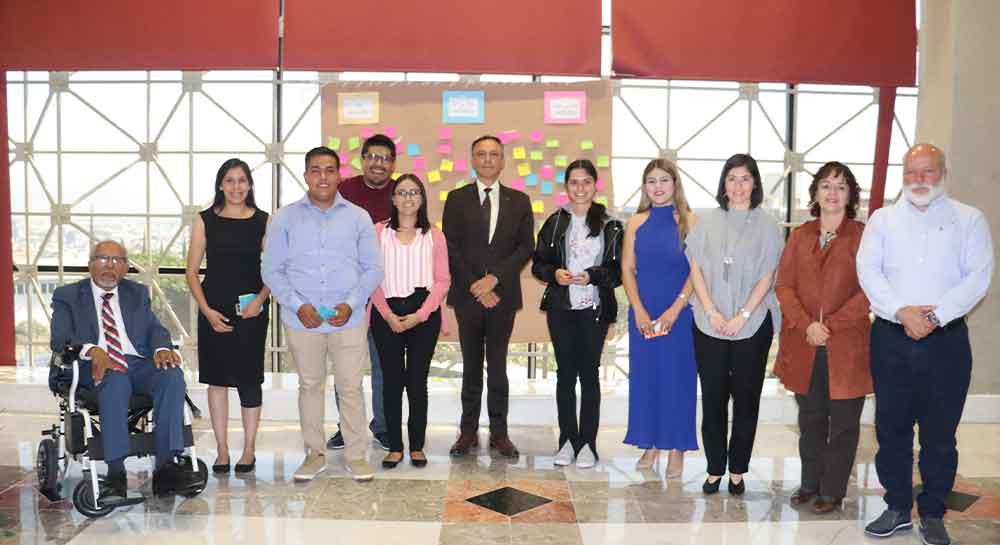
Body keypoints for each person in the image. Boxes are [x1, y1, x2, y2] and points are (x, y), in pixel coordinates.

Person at [858, 144, 993, 545]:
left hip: (946, 343)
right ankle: (897, 507)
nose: (919, 180)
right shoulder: (882, 220)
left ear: (943, 173)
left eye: (927, 171)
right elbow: (868, 270)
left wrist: (933, 317)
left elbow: (978, 277)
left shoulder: (969, 219)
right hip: (891, 338)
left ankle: (933, 512)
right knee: (891, 428)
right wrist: (903, 312)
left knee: (940, 434)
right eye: (911, 172)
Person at [261, 146, 383, 483]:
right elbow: (271, 269)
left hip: (349, 318)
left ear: (339, 175)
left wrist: (351, 303)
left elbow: (373, 268)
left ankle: (356, 456)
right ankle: (314, 455)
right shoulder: (284, 218)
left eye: (329, 170)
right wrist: (298, 305)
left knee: (351, 387)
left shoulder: (358, 217)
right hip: (302, 319)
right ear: (306, 176)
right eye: (315, 170)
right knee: (310, 386)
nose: (323, 177)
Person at [50, 240, 199, 500]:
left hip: (136, 363)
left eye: (117, 260)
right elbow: (60, 338)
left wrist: (161, 348)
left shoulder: (136, 293)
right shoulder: (68, 296)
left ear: (126, 267)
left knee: (171, 375)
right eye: (103, 259)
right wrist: (92, 350)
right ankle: (116, 473)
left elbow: (154, 329)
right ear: (90, 264)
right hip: (91, 366)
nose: (110, 266)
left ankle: (166, 468)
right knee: (116, 380)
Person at [774, 162, 871, 514]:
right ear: (815, 192)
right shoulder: (800, 236)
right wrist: (807, 325)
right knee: (811, 419)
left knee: (843, 423)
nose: (833, 193)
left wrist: (830, 324)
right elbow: (784, 286)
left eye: (841, 187)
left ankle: (832, 490)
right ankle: (810, 483)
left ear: (851, 195)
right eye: (826, 186)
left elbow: (870, 288)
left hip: (846, 343)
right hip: (805, 343)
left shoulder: (863, 236)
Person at [687, 153, 783, 495]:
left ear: (754, 183)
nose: (738, 186)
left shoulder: (768, 225)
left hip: (752, 323)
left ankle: (738, 470)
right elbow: (696, 268)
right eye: (732, 178)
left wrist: (742, 315)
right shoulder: (706, 222)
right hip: (709, 322)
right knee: (713, 398)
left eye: (745, 178)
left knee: (746, 399)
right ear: (723, 184)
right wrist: (712, 311)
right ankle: (715, 468)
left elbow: (768, 274)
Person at [442, 135, 534, 458]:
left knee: (497, 367)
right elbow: (450, 246)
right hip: (468, 297)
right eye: (481, 154)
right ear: (472, 159)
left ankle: (499, 433)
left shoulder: (519, 201)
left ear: (503, 160)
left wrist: (494, 280)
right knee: (470, 367)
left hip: (502, 296)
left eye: (493, 154)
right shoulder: (456, 199)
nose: (487, 159)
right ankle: (467, 432)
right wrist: (476, 286)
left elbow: (526, 246)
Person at [531, 159, 623, 469]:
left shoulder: (611, 225)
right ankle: (567, 441)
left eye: (586, 182)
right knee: (565, 375)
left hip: (594, 309)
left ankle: (588, 444)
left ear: (595, 185)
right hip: (562, 308)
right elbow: (538, 263)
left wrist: (593, 275)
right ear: (566, 187)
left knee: (589, 375)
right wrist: (554, 273)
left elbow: (617, 273)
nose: (580, 188)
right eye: (574, 182)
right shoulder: (556, 221)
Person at [185, 158, 270, 476]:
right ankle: (222, 449)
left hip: (251, 310)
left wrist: (260, 300)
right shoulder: (205, 220)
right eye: (230, 180)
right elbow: (191, 271)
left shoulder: (263, 220)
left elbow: (275, 268)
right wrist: (206, 311)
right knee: (217, 380)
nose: (236, 187)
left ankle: (249, 449)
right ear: (220, 185)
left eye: (242, 180)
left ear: (250, 185)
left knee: (249, 380)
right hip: (214, 308)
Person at [620, 159, 699, 476]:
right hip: (643, 314)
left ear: (675, 184)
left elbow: (697, 271)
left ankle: (677, 447)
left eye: (664, 180)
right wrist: (638, 309)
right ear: (644, 187)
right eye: (651, 181)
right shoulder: (636, 222)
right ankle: (651, 443)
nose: (658, 187)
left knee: (678, 382)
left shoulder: (691, 220)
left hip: (679, 315)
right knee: (647, 381)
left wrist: (675, 309)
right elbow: (627, 269)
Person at [370, 174, 451, 469]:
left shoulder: (435, 235)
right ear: (393, 198)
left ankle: (416, 446)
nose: (408, 198)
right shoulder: (378, 232)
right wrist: (388, 315)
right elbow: (370, 276)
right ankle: (394, 446)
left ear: (422, 198)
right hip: (386, 313)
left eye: (414, 192)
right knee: (391, 382)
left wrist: (420, 315)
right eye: (402, 192)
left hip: (423, 313)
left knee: (417, 382)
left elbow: (442, 281)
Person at [327, 134, 396, 452]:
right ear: (362, 160)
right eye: (372, 157)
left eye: (385, 158)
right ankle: (347, 426)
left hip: (386, 294)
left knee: (384, 366)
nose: (378, 164)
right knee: (346, 366)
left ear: (392, 164)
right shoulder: (343, 191)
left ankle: (383, 426)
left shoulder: (401, 192)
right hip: (347, 293)